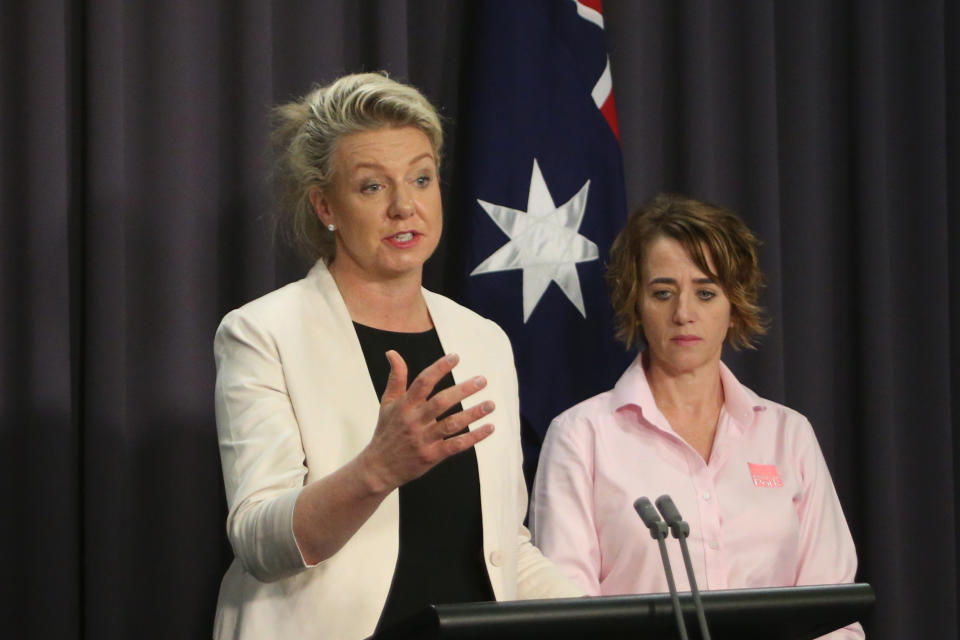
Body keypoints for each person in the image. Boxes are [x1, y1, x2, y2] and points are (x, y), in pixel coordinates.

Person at [212, 72, 580, 640]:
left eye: (421, 178)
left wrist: (605, 618)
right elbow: (260, 542)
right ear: (325, 206)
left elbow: (507, 546)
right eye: (372, 187)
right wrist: (377, 470)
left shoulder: (483, 339)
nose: (405, 207)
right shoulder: (263, 333)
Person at [530, 193, 863, 638]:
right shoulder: (581, 436)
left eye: (705, 292)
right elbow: (566, 614)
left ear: (733, 306)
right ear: (637, 304)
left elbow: (833, 608)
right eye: (663, 293)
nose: (683, 314)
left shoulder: (788, 434)